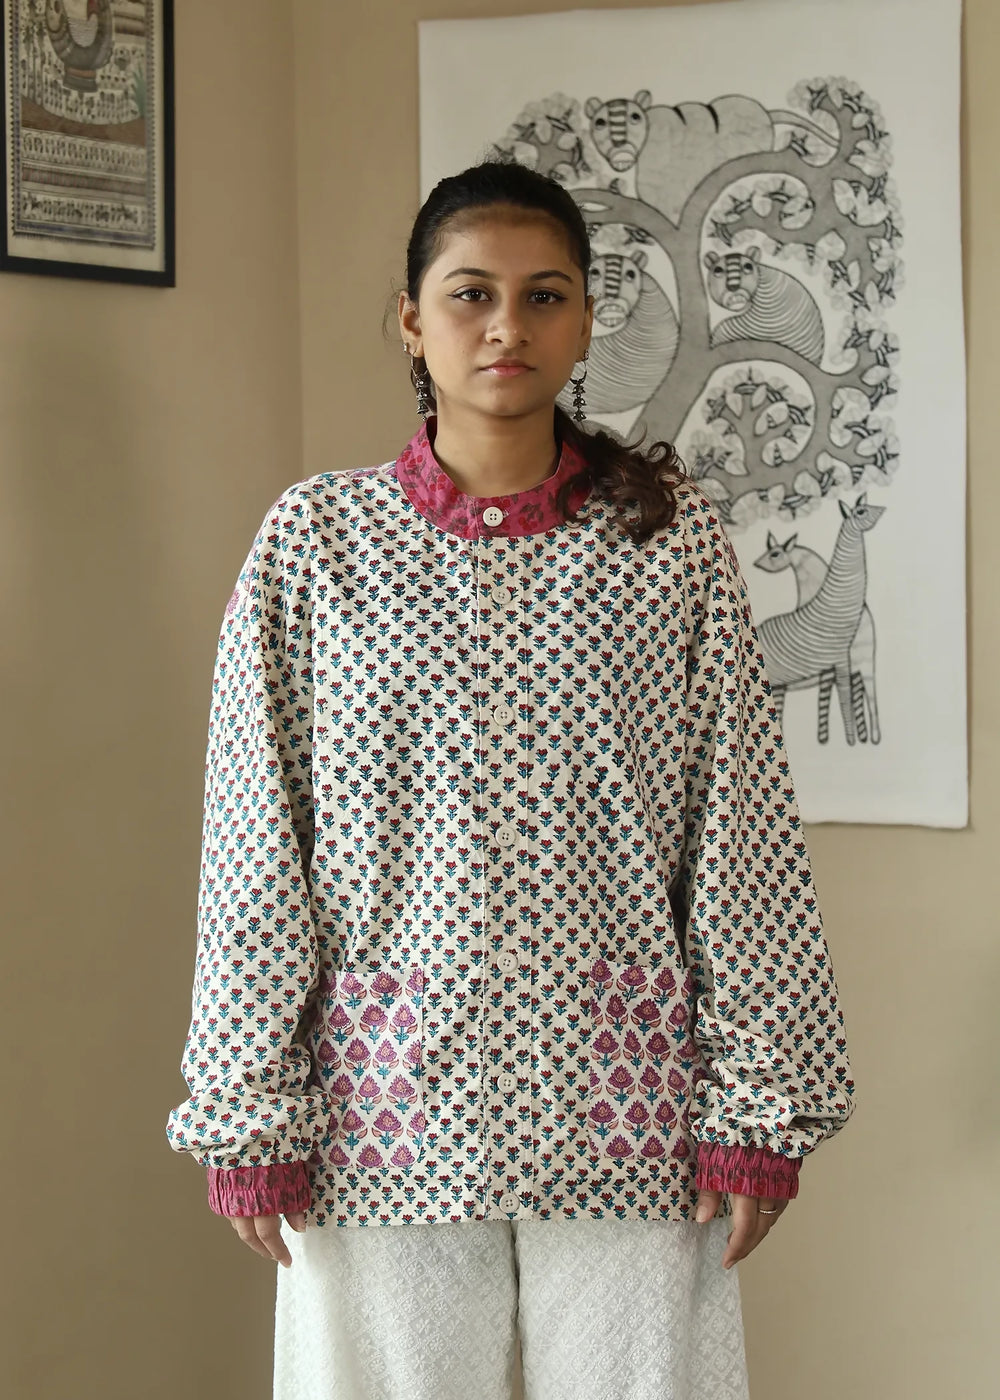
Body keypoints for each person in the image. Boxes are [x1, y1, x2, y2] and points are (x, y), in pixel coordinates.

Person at [166, 156, 856, 1400]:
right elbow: (256, 840)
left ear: (586, 320)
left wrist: (760, 1100)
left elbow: (738, 826)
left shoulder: (669, 540)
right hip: (381, 1108)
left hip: (628, 1101)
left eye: (544, 296)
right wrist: (247, 1101)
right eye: (470, 294)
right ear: (411, 320)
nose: (506, 326)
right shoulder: (315, 543)